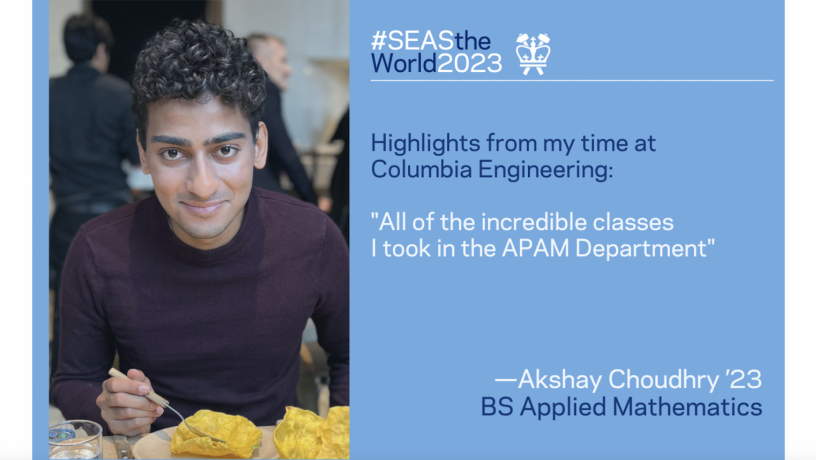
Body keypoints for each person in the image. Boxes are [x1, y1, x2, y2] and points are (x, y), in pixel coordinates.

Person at [51, 20, 349, 436]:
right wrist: (109, 406)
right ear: (143, 153)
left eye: (224, 150)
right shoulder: (98, 250)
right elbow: (72, 380)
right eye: (173, 152)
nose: (203, 185)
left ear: (258, 146)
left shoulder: (313, 238)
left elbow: (353, 357)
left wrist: (341, 439)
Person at [49, 14, 140, 383]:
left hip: (67, 212)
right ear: (102, 49)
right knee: (120, 299)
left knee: (65, 301)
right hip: (114, 212)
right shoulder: (119, 93)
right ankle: (121, 380)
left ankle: (62, 382)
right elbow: (137, 160)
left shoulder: (45, 92)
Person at [247, 34, 318, 205]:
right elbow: (286, 154)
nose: (288, 70)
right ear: (260, 62)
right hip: (259, 193)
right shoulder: (265, 89)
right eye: (282, 60)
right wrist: (312, 202)